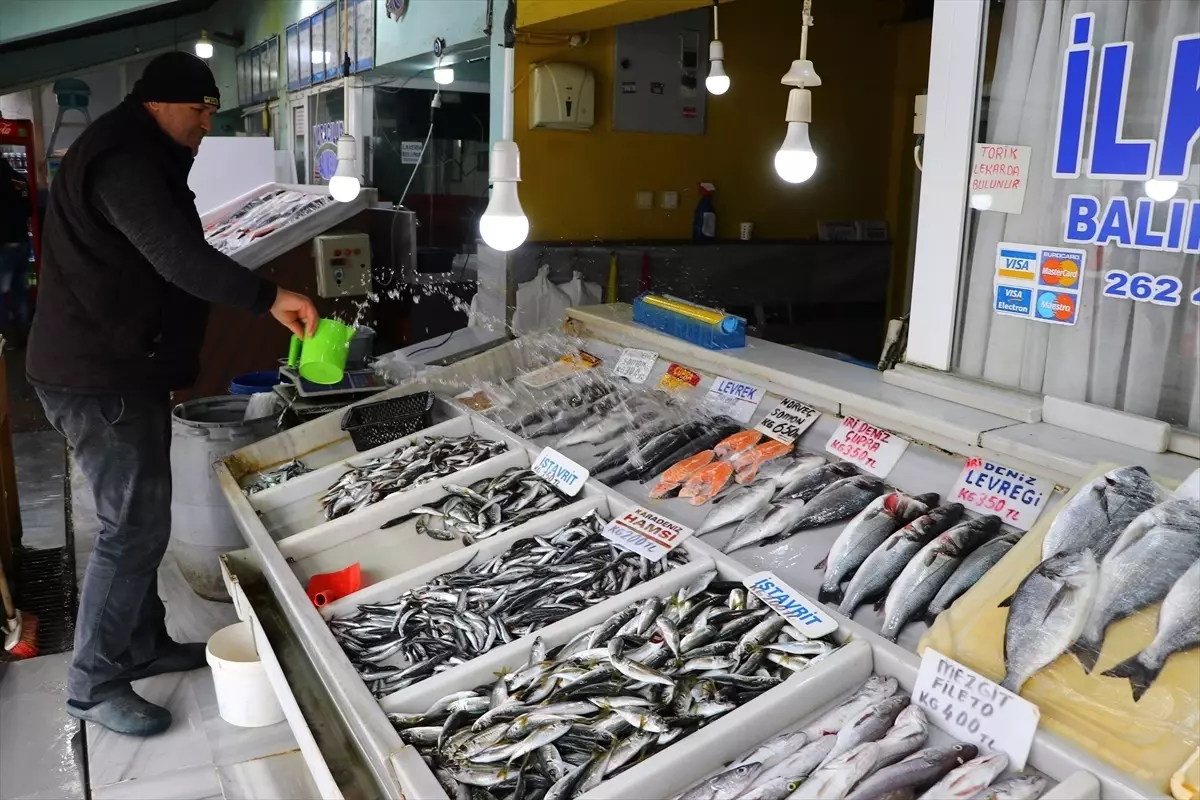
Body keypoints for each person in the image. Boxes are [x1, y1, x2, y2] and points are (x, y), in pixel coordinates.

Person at [25, 53, 319, 737]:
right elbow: (177, 258)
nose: (207, 122)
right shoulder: (125, 161)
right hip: (100, 377)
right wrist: (271, 295)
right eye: (201, 108)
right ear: (161, 102)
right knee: (132, 528)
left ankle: (140, 643)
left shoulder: (134, 149)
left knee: (140, 520)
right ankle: (93, 684)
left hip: (122, 368)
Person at [0, 155, 31, 342]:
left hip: (3, 243)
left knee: (1, 291)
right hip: (22, 240)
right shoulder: (19, 178)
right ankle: (25, 331)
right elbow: (29, 208)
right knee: (21, 288)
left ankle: (7, 337)